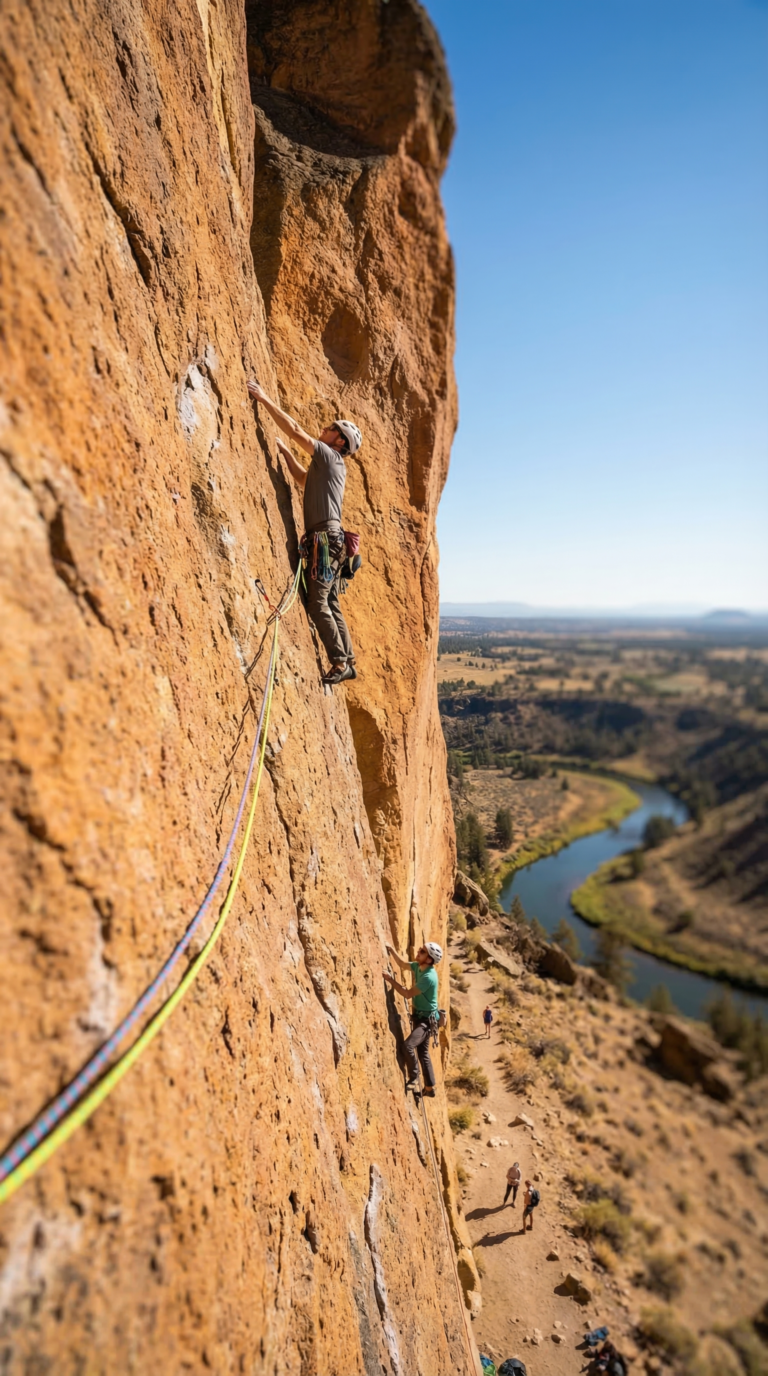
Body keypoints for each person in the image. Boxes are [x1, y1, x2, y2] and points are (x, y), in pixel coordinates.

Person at [247, 379, 362, 685]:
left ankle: (339, 661)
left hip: (325, 542)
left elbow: (296, 430)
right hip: (332, 542)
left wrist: (263, 398)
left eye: (330, 428)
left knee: (318, 603)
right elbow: (302, 480)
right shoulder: (329, 466)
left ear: (339, 441)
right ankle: (347, 659)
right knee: (331, 602)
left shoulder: (329, 456)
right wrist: (284, 453)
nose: (324, 430)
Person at [383, 942, 443, 1098]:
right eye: (420, 949)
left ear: (429, 960)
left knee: (408, 1045)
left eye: (422, 951)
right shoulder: (418, 966)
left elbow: (408, 994)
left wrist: (390, 980)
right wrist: (392, 950)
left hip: (426, 1021)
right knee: (423, 1052)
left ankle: (414, 1077)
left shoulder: (429, 977)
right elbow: (403, 964)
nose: (418, 951)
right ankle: (429, 1088)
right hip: (421, 1017)